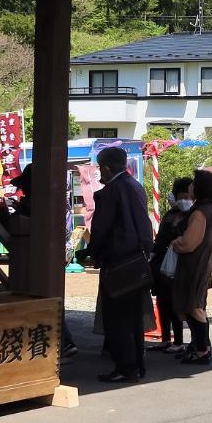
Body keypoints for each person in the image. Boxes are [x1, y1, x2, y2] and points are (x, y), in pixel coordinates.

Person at [88, 146, 154, 384]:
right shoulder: (135, 186)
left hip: (117, 261)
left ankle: (125, 367)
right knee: (134, 318)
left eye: (99, 167)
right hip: (137, 260)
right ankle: (136, 365)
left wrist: (93, 253)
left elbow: (101, 228)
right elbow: (144, 226)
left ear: (105, 167)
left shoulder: (111, 192)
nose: (99, 172)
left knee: (117, 319)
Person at [172, 170, 212, 366]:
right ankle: (199, 347)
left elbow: (189, 243)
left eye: (194, 184)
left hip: (194, 265)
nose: (191, 187)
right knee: (196, 306)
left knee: (194, 307)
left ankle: (202, 350)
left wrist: (177, 242)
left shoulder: (200, 212)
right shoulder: (210, 209)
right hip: (203, 263)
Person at [149, 176, 194, 353]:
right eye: (181, 196)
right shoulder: (170, 215)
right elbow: (160, 238)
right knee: (162, 301)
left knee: (176, 303)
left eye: (187, 196)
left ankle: (179, 341)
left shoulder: (192, 215)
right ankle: (166, 338)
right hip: (161, 264)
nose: (184, 200)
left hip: (179, 264)